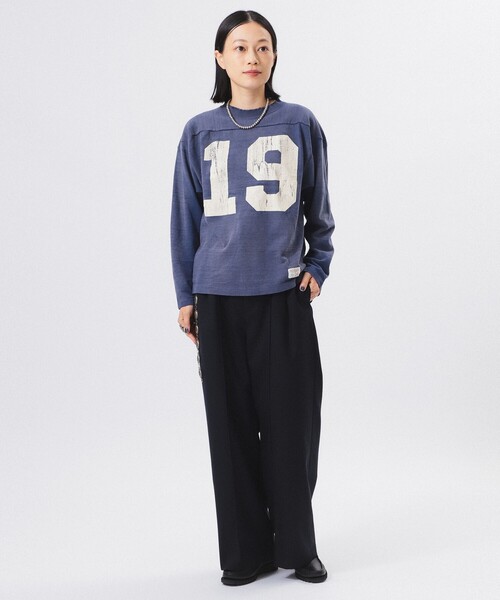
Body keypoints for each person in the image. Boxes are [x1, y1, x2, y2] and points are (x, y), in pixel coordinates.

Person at [170, 9, 335, 586]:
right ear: (220, 58)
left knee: (293, 428)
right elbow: (185, 220)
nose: (252, 57)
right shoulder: (199, 131)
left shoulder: (299, 122)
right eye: (239, 47)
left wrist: (318, 264)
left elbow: (319, 208)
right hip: (217, 298)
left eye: (262, 46)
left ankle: (297, 547)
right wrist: (185, 295)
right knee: (230, 428)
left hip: (283, 297)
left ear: (274, 56)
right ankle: (245, 554)